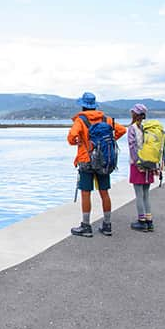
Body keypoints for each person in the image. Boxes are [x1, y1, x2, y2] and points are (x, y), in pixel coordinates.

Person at [67, 92, 126, 237]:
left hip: (86, 160)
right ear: (94, 106)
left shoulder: (81, 120)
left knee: (86, 193)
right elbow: (122, 130)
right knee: (104, 192)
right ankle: (107, 225)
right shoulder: (106, 119)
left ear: (83, 106)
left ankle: (86, 226)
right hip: (104, 161)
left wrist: (79, 142)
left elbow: (70, 137)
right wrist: (107, 142)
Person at [127, 103, 155, 232]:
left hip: (137, 164)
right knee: (146, 194)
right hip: (149, 164)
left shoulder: (132, 128)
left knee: (138, 194)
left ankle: (141, 221)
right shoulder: (146, 128)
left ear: (134, 113)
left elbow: (132, 147)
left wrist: (137, 162)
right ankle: (149, 221)